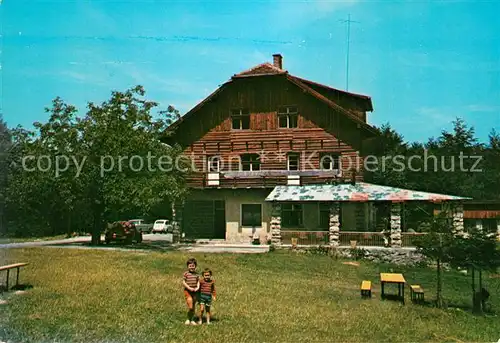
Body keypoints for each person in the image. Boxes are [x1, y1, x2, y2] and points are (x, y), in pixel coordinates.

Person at [182, 257, 200, 325]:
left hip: (195, 291)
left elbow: (198, 281)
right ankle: (188, 318)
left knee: (194, 305)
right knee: (190, 306)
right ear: (187, 266)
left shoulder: (197, 274)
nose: (191, 267)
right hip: (188, 291)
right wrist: (189, 288)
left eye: (193, 266)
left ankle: (192, 319)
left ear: (195, 266)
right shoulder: (186, 274)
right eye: (190, 266)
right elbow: (183, 282)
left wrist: (198, 287)